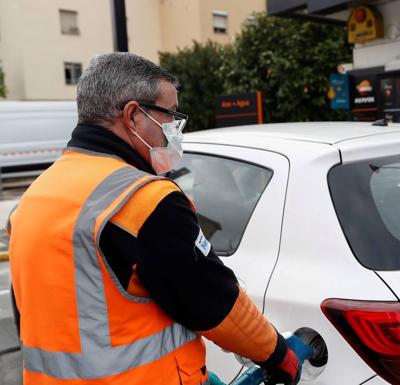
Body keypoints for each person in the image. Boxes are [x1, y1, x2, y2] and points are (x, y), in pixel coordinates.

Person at [6, 52, 301, 385]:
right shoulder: (144, 200)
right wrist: (277, 354)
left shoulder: (32, 201)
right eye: (170, 116)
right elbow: (213, 302)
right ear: (133, 116)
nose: (173, 131)